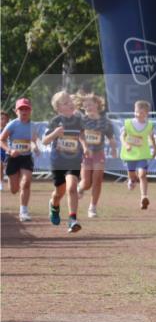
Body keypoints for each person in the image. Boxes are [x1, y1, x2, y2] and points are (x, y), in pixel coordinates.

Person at [41, 91, 85, 232]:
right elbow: (45, 141)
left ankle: (72, 219)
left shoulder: (78, 120)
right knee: (59, 192)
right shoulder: (54, 121)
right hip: (58, 162)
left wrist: (86, 147)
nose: (70, 104)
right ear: (58, 108)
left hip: (73, 161)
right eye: (65, 103)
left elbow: (82, 136)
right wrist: (55, 133)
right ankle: (54, 205)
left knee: (71, 188)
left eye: (70, 101)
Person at [76, 93, 117, 218]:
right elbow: (80, 135)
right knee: (87, 182)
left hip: (99, 154)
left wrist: (114, 149)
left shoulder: (105, 121)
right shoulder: (82, 120)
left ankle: (92, 207)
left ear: (97, 104)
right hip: (86, 155)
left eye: (90, 104)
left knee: (98, 180)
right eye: (85, 105)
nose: (87, 107)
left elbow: (110, 137)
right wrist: (84, 147)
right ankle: (80, 188)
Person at [0, 98, 39, 221]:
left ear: (30, 111)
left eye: (26, 108)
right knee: (14, 189)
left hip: (26, 158)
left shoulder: (32, 126)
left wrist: (35, 147)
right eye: (21, 109)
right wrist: (10, 150)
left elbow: (33, 141)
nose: (24, 111)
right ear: (16, 111)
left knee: (26, 182)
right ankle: (12, 185)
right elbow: (1, 139)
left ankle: (24, 211)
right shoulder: (13, 124)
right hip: (13, 158)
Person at [120, 100, 156, 210]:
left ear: (147, 113)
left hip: (142, 154)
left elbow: (151, 138)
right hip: (130, 153)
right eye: (136, 112)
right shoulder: (128, 123)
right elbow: (122, 136)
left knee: (142, 175)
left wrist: (155, 148)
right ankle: (131, 180)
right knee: (132, 175)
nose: (138, 115)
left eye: (141, 113)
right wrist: (126, 144)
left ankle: (144, 197)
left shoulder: (149, 125)